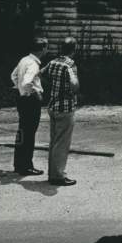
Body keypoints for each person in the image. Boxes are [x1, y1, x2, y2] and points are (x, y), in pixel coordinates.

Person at [10, 37, 48, 176]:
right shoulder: (33, 64)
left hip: (21, 99)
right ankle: (27, 166)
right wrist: (36, 93)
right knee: (30, 133)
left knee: (22, 131)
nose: (47, 50)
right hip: (30, 101)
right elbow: (27, 82)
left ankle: (18, 164)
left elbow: (13, 76)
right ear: (42, 49)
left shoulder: (24, 60)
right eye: (46, 47)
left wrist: (19, 89)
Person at [45, 37, 80, 186]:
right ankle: (58, 176)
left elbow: (40, 73)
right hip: (65, 108)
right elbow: (73, 84)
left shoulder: (53, 62)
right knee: (62, 143)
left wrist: (53, 87)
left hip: (53, 106)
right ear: (74, 49)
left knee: (54, 141)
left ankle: (52, 173)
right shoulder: (70, 64)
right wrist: (75, 88)